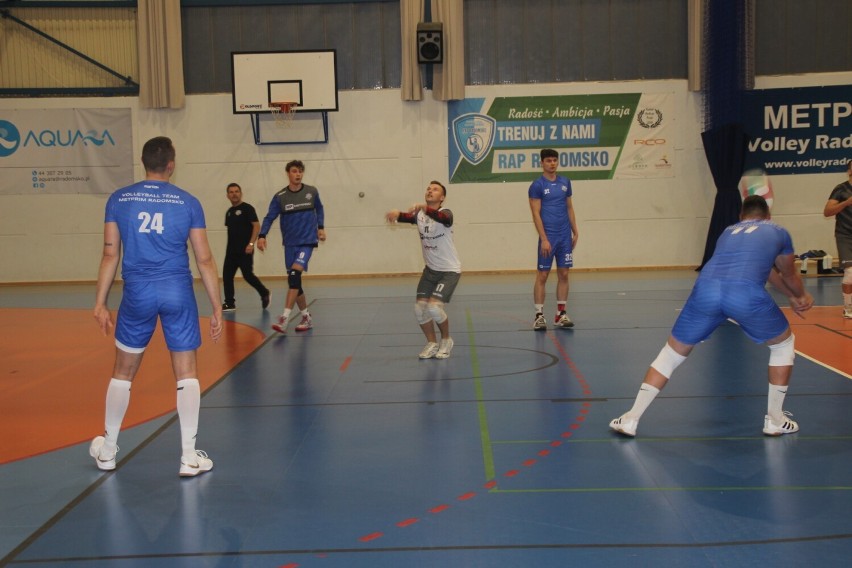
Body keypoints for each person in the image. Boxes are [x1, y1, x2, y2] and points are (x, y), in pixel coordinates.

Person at [609, 195, 814, 438]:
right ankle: (775, 419)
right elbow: (788, 274)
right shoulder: (779, 231)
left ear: (741, 217)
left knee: (671, 354)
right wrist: (799, 295)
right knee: (783, 345)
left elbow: (767, 272)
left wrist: (792, 293)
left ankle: (631, 418)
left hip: (705, 290)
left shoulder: (728, 231)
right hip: (744, 293)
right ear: (768, 216)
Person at [91, 136, 223, 477]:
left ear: (143, 161)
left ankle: (107, 450)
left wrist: (100, 302)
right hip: (178, 291)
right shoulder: (188, 202)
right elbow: (204, 259)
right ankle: (189, 456)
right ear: (171, 164)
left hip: (138, 293)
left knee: (123, 372)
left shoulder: (119, 200)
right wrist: (217, 307)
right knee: (187, 372)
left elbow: (110, 254)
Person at [386, 181, 461, 359]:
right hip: (430, 270)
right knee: (420, 309)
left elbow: (445, 220)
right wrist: (396, 214)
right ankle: (431, 343)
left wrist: (425, 209)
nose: (430, 191)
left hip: (449, 270)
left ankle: (446, 340)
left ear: (442, 197)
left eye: (435, 189)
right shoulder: (420, 215)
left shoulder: (445, 212)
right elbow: (405, 217)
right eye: (428, 188)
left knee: (434, 308)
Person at [257, 160, 326, 334]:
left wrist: (321, 227)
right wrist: (262, 235)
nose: (298, 174)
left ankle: (284, 318)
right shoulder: (280, 196)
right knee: (295, 282)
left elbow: (320, 209)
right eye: (295, 171)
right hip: (289, 244)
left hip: (307, 241)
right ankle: (306, 317)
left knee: (295, 274)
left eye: (300, 171)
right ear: (288, 173)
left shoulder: (311, 192)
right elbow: (269, 217)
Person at [528, 148, 579, 331]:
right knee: (543, 275)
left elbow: (569, 208)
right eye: (548, 160)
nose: (552, 163)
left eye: (554, 160)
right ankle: (539, 316)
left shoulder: (566, 182)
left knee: (564, 274)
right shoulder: (537, 185)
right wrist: (543, 238)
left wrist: (575, 231)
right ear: (541, 163)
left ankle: (560, 314)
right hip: (548, 237)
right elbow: (535, 213)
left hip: (564, 236)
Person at [221, 182, 270, 312]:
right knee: (227, 276)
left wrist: (251, 244)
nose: (234, 194)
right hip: (231, 251)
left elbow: (256, 226)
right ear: (228, 196)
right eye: (231, 192)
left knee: (248, 275)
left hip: (245, 250)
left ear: (241, 193)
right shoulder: (229, 212)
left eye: (236, 191)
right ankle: (229, 303)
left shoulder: (248, 208)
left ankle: (264, 292)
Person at [822, 160, 852, 319]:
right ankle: (848, 307)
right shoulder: (841, 189)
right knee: (850, 273)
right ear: (849, 171)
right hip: (845, 235)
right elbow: (827, 212)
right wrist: (846, 203)